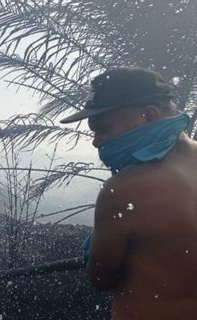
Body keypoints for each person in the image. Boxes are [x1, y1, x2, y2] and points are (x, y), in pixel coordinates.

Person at [60, 67, 197, 319]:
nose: (97, 141)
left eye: (104, 128)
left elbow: (100, 278)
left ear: (148, 116)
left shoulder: (125, 190)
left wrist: (94, 251)